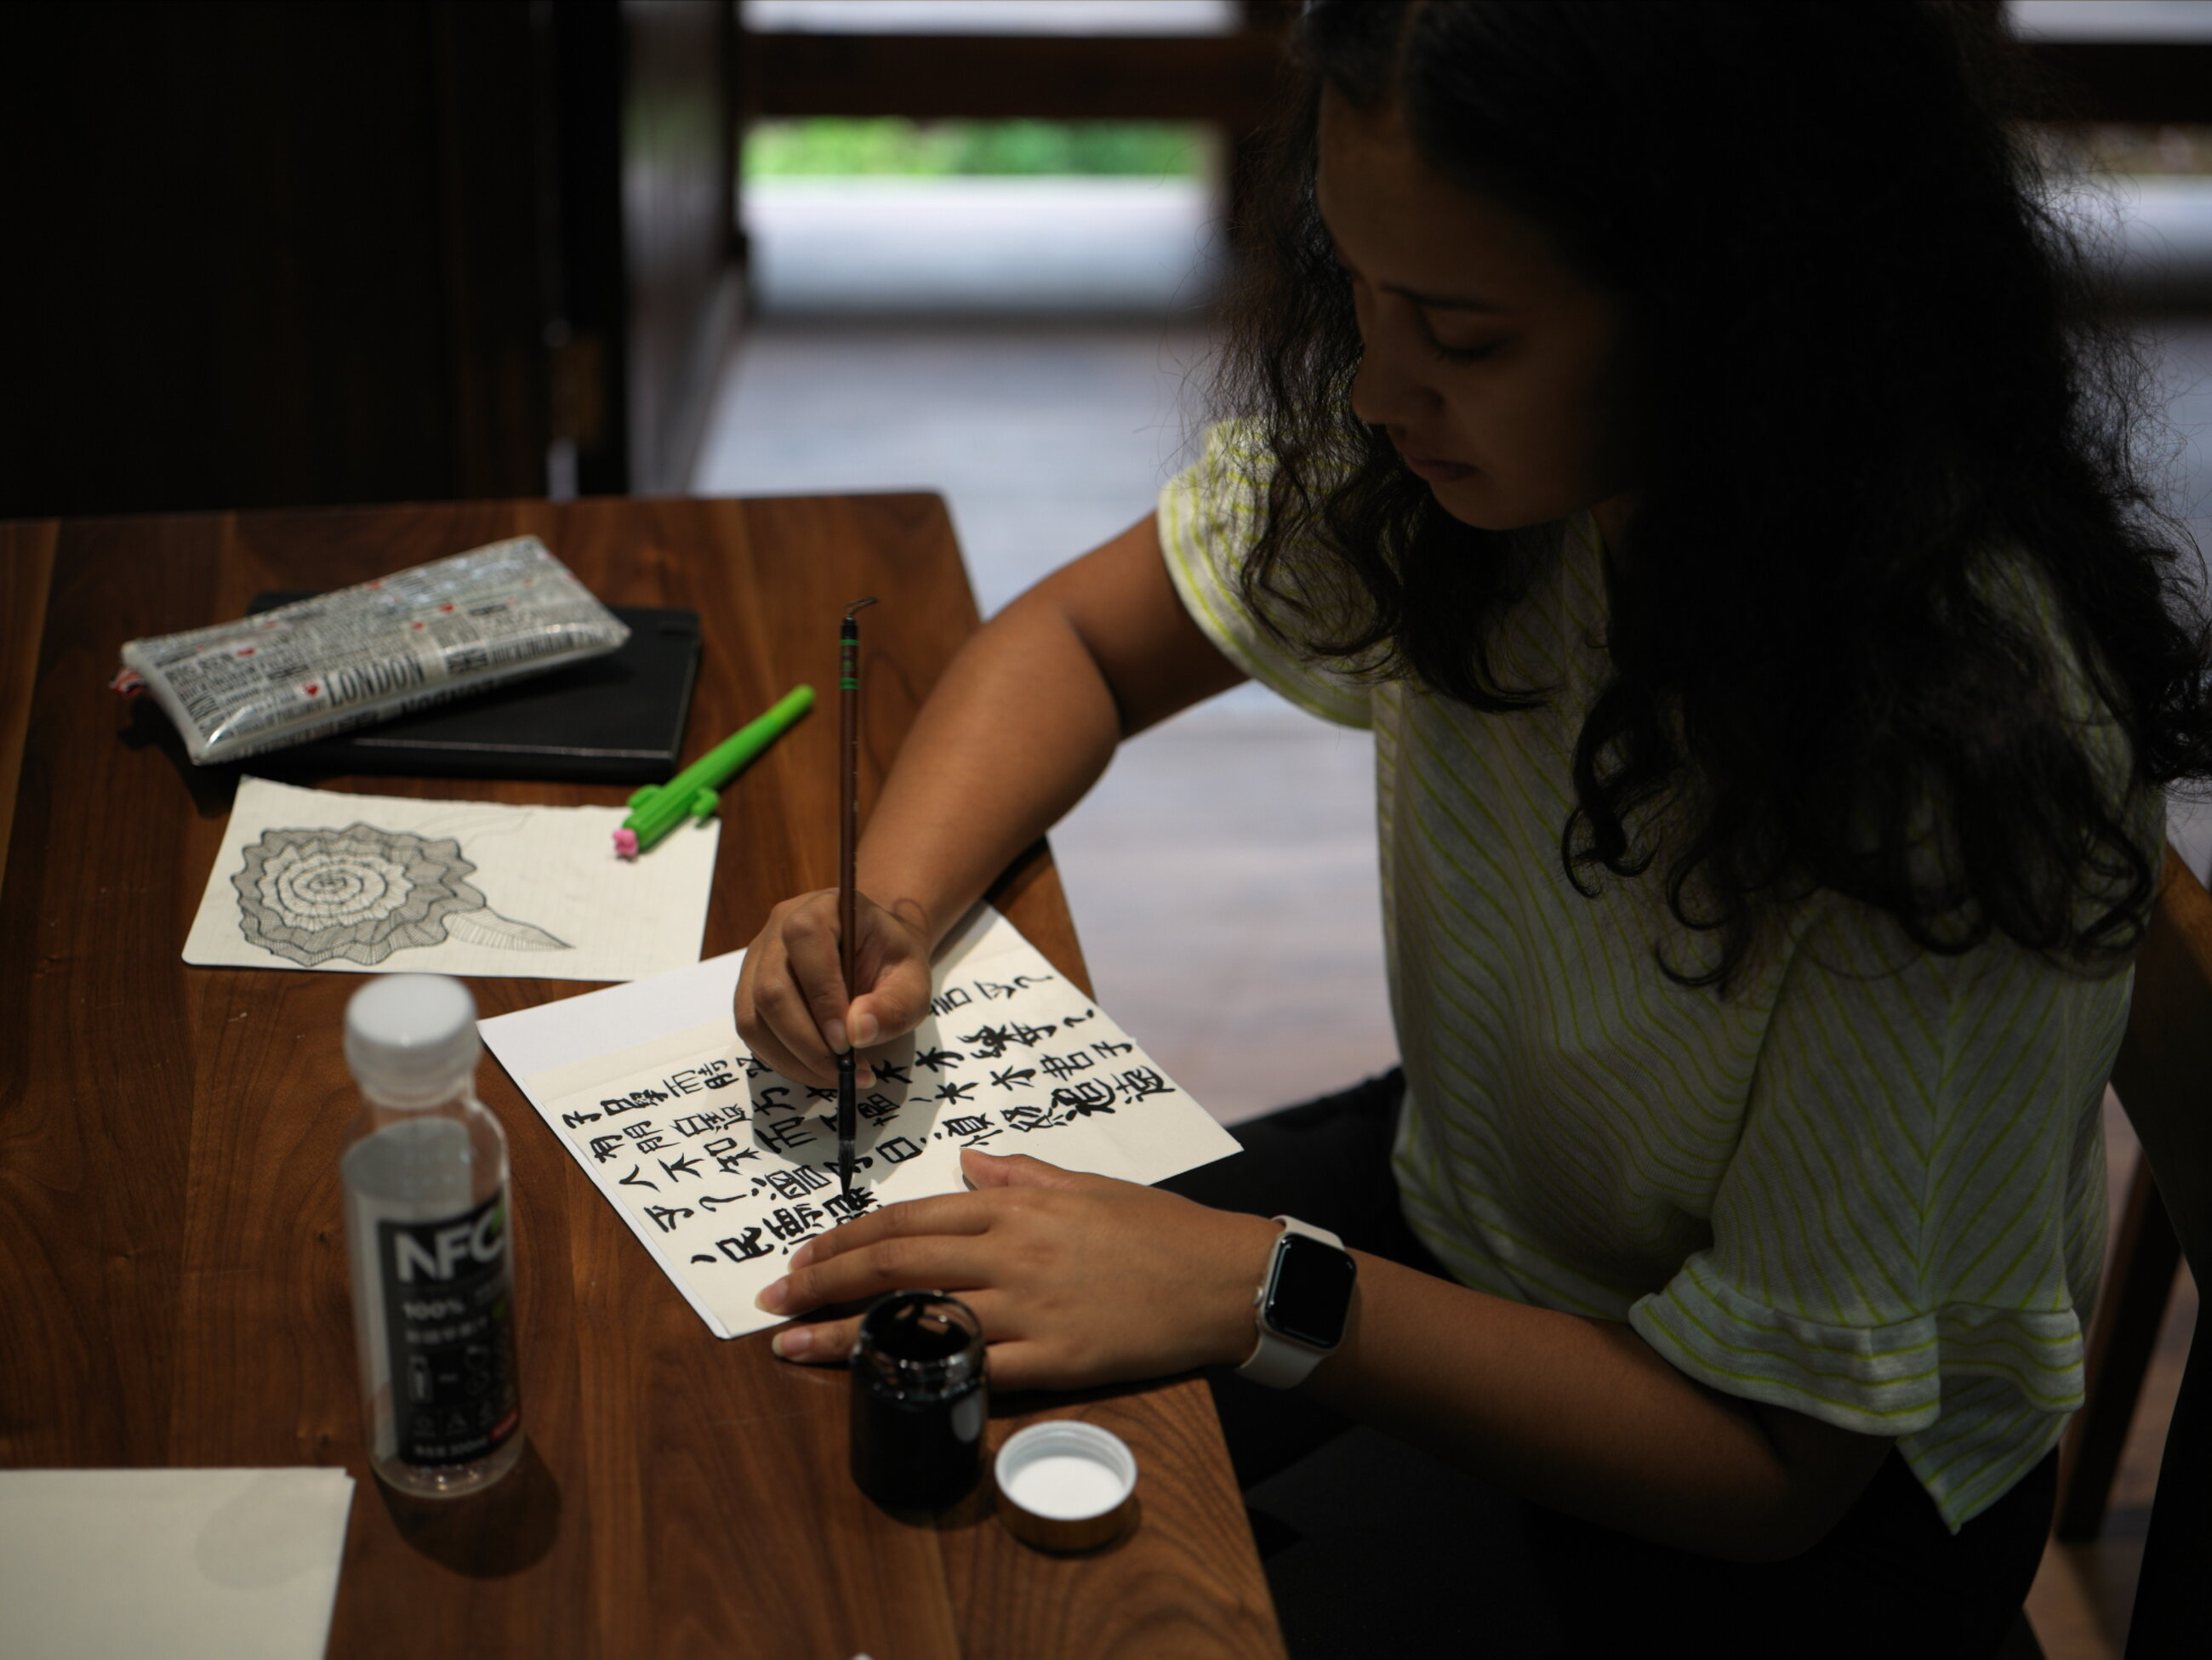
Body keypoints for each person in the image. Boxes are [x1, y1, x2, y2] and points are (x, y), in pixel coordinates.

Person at [734, 3, 2212, 1652]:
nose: (1372, 385)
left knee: (1079, 1603)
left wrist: (1249, 1284)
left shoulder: (1938, 755)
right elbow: (1080, 642)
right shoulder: (1478, 478)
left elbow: (1771, 1468)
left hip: (1785, 1510)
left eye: (1461, 330)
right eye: (1351, 282)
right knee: (871, 1383)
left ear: (1737, 313)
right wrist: (892, 906)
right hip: (1479, 1190)